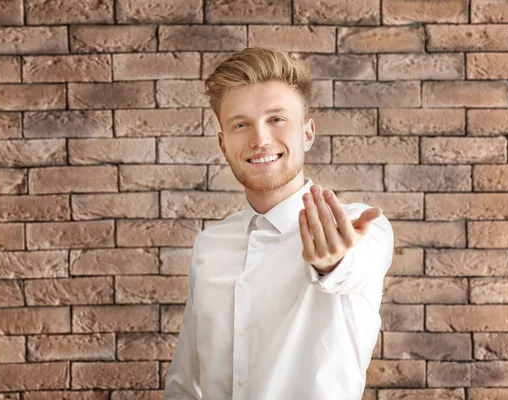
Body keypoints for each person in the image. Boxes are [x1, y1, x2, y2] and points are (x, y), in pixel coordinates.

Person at [165, 47, 394, 400]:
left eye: (276, 119)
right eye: (241, 124)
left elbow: (355, 265)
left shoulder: (358, 228)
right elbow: (186, 379)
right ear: (224, 144)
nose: (260, 139)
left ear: (307, 133)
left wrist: (331, 263)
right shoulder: (209, 245)